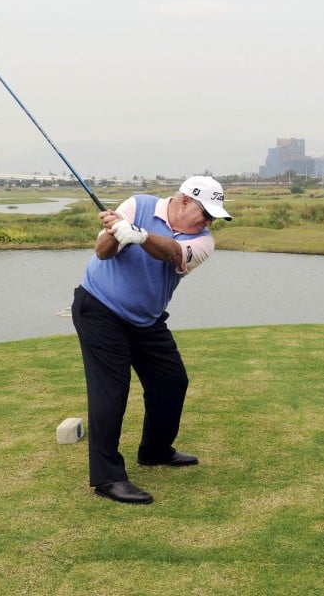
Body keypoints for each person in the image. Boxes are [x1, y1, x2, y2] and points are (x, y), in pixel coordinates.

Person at [71, 176, 232, 504]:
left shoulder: (204, 242)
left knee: (172, 382)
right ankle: (108, 478)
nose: (209, 221)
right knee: (111, 391)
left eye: (214, 217)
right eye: (206, 212)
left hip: (146, 319)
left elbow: (173, 252)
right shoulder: (136, 205)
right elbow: (101, 253)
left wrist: (140, 236)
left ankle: (155, 450)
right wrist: (116, 233)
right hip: (99, 309)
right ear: (185, 201)